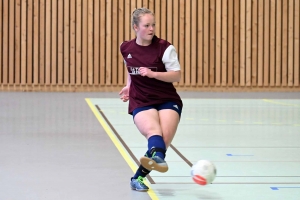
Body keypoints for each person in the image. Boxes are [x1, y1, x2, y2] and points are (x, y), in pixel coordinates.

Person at [119, 7, 183, 192]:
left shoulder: (165, 47)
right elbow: (130, 69)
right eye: (146, 25)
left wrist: (153, 74)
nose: (151, 29)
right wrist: (129, 86)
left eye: (153, 25)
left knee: (163, 142)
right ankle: (142, 174)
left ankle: (137, 177)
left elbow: (176, 76)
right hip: (141, 99)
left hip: (166, 98)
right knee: (154, 134)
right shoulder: (126, 48)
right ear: (135, 27)